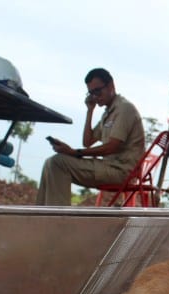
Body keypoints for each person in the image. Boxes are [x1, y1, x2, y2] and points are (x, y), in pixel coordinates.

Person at [36, 68, 145, 205]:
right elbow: (87, 141)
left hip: (121, 172)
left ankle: (59, 220)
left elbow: (112, 147)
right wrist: (90, 111)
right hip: (108, 167)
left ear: (111, 85)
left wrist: (75, 153)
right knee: (50, 162)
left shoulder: (124, 109)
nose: (95, 97)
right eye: (91, 93)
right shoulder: (108, 113)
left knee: (58, 163)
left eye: (98, 91)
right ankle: (41, 216)